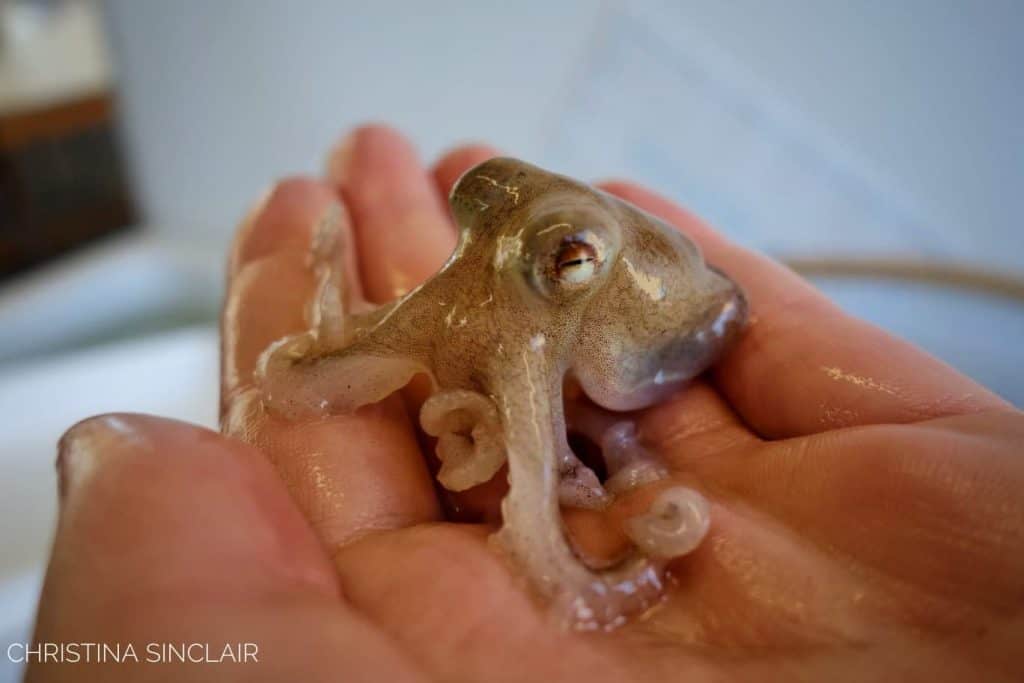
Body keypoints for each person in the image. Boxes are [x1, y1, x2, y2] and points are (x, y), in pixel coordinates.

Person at [26, 126, 1024, 682]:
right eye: (482, 208)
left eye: (559, 257)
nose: (464, 286)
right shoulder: (501, 269)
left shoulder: (653, 312)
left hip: (663, 327)